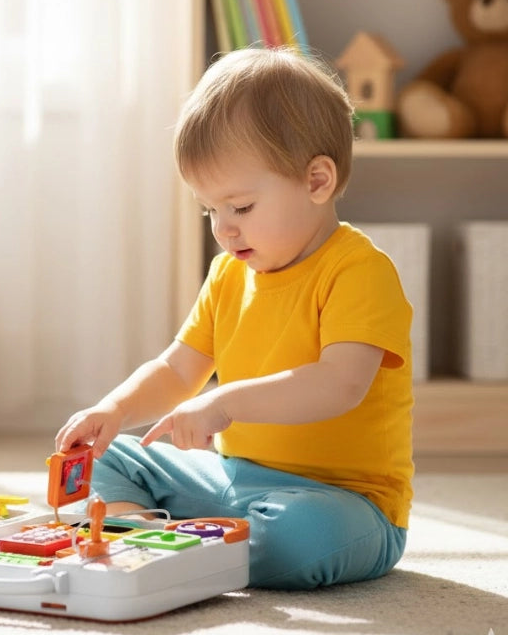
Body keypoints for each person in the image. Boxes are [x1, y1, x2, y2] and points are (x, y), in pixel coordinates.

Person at [55, 47, 414, 590]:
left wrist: (224, 402)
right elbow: (178, 372)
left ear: (317, 181)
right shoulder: (228, 273)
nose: (223, 229)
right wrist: (114, 409)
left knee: (304, 537)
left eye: (240, 208)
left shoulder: (360, 270)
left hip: (344, 500)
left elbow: (338, 385)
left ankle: (198, 545)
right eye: (210, 210)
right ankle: (154, 536)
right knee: (114, 461)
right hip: (234, 477)